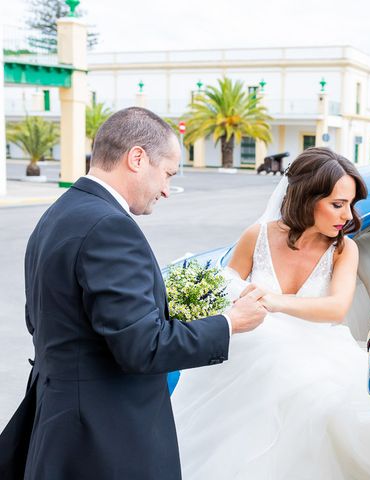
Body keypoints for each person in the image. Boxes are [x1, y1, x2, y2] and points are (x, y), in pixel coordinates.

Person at [0, 107, 267, 480]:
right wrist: (228, 323)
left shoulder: (59, 213)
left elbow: (41, 319)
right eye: (168, 174)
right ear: (137, 158)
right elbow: (143, 347)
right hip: (102, 439)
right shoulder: (110, 227)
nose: (166, 191)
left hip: (58, 424)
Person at [172, 147, 370, 480]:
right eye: (337, 204)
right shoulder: (257, 236)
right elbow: (226, 291)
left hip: (316, 355)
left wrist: (273, 301)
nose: (348, 216)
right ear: (306, 198)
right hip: (248, 356)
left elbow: (336, 307)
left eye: (351, 205)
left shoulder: (344, 249)